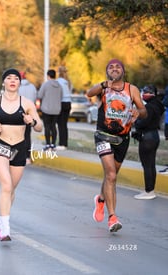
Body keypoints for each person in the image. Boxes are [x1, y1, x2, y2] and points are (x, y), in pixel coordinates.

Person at [0, 68, 42, 241]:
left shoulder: (27, 103)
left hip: (19, 148)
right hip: (0, 146)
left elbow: (40, 127)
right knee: (6, 185)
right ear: (4, 82)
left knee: (11, 189)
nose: (13, 80)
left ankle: (2, 218)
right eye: (9, 78)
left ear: (19, 83)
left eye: (16, 78)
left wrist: (33, 121)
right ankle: (5, 228)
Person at [87, 59, 146, 233]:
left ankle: (101, 200)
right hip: (103, 136)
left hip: (122, 139)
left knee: (111, 176)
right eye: (111, 67)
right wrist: (104, 85)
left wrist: (138, 112)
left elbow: (144, 111)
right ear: (107, 72)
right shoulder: (103, 87)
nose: (114, 69)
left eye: (117, 67)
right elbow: (90, 93)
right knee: (111, 175)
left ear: (123, 71)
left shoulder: (132, 89)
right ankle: (112, 217)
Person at [132, 85, 164, 200]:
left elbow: (143, 122)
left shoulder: (150, 107)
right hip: (154, 136)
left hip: (147, 138)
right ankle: (150, 190)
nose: (143, 94)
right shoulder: (158, 106)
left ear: (152, 93)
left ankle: (148, 191)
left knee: (147, 165)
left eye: (145, 92)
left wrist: (136, 121)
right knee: (151, 164)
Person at [37, 69, 62, 150]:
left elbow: (40, 95)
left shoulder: (45, 85)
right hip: (56, 109)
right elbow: (61, 96)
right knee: (54, 126)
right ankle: (53, 144)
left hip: (46, 109)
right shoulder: (59, 85)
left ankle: (48, 144)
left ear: (48, 76)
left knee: (47, 126)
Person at [18, 71, 37, 163]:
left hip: (19, 113)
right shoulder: (32, 86)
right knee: (27, 135)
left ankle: (19, 155)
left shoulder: (17, 87)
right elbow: (35, 97)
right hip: (30, 113)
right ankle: (27, 157)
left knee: (18, 135)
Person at [56, 66, 72, 150]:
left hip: (61, 103)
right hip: (68, 103)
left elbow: (58, 93)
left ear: (59, 72)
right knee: (64, 124)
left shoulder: (58, 82)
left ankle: (62, 144)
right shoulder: (68, 82)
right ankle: (65, 143)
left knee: (60, 124)